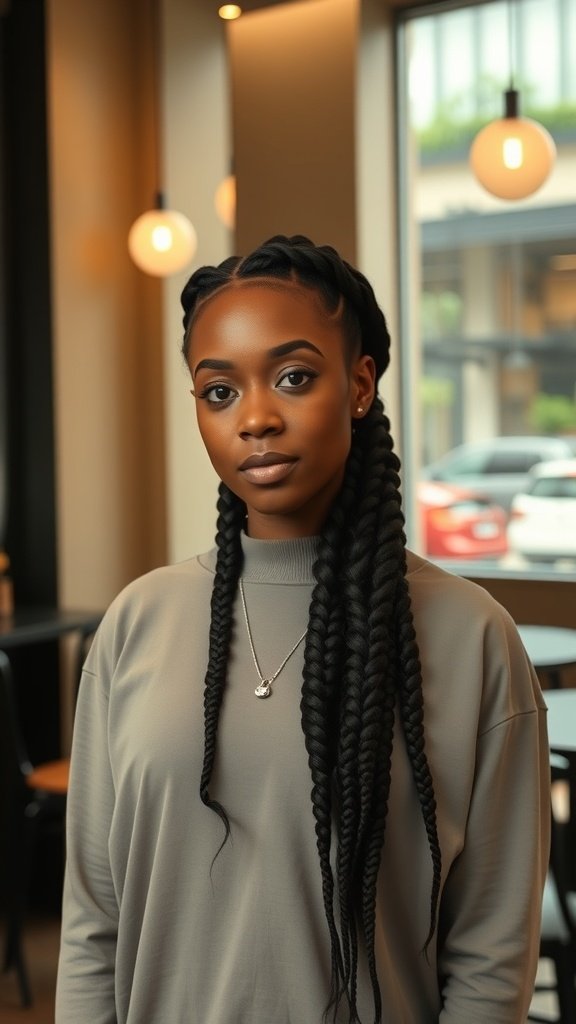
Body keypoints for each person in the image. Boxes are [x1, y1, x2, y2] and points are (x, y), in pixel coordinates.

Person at [56, 235, 549, 1024]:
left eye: (293, 377)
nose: (255, 418)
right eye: (219, 391)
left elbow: (490, 956)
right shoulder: (137, 622)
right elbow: (92, 925)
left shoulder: (472, 636)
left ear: (360, 385)